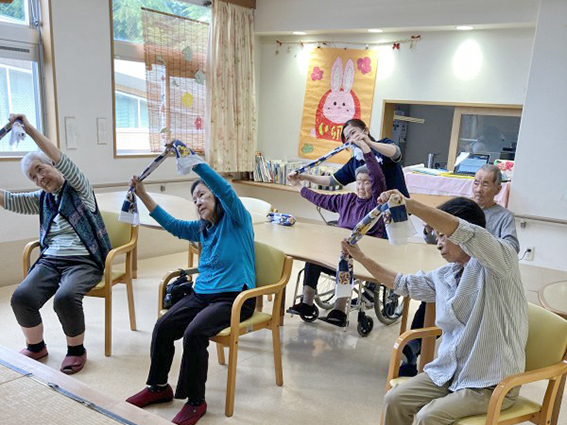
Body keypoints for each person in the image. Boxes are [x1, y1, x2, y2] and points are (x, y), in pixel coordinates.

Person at [341, 191, 527, 425]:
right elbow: (402, 284)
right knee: (394, 399)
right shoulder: (446, 274)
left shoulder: (500, 261)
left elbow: (465, 231)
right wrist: (360, 257)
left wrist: (408, 205)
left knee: (428, 417)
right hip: (450, 372)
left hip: (491, 383)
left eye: (442, 235)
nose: (438, 244)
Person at [126, 153, 255, 425]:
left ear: (216, 197)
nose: (198, 201)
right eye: (195, 198)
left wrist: (192, 161)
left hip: (235, 298)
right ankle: (158, 387)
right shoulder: (202, 229)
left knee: (194, 333)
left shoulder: (238, 220)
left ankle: (196, 401)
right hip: (202, 295)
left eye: (203, 195)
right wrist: (143, 194)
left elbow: (225, 190)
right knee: (163, 326)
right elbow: (172, 225)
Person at [1, 114, 111, 374]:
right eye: (33, 177)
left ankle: (76, 350)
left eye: (41, 169)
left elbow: (62, 158)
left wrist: (29, 129)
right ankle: (36, 346)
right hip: (51, 260)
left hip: (84, 261)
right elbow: (9, 200)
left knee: (65, 298)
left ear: (53, 165)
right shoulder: (42, 198)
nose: (40, 178)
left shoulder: (79, 188)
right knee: (21, 297)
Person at [402, 163, 520, 376]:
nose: (479, 189)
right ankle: (415, 346)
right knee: (433, 294)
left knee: (456, 305)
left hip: (484, 276)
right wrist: (431, 230)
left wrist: (482, 245)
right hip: (457, 268)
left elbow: (511, 248)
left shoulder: (503, 217)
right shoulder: (459, 210)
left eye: (485, 184)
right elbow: (435, 240)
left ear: (498, 189)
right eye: (476, 183)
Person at [286, 133, 387, 327]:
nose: (361, 186)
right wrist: (298, 185)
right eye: (359, 182)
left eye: (367, 182)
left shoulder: (376, 203)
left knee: (345, 261)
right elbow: (319, 199)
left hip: (362, 259)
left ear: (373, 185)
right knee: (313, 258)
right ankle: (307, 304)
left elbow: (377, 174)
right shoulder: (346, 199)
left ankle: (339, 311)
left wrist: (365, 148)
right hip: (338, 253)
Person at [289, 118, 409, 197]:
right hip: (375, 208)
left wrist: (369, 143)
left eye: (353, 133)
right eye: (348, 138)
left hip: (397, 204)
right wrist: (304, 176)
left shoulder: (383, 145)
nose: (352, 138)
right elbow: (331, 180)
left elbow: (396, 153)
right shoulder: (355, 162)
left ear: (365, 131)